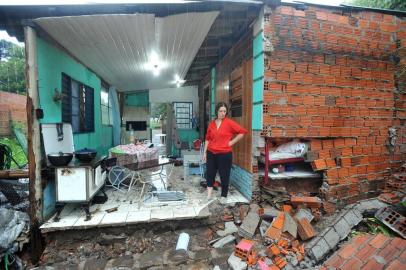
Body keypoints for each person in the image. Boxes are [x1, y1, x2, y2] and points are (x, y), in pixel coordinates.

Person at [203, 102, 247, 204]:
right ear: (216, 111)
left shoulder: (229, 123)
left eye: (224, 111)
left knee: (224, 175)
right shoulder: (211, 124)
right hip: (211, 153)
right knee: (210, 174)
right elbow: (207, 139)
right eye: (221, 111)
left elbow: (242, 132)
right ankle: (209, 195)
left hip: (224, 154)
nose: (223, 113)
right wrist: (205, 152)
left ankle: (224, 195)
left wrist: (231, 142)